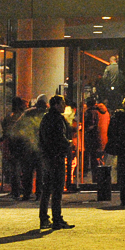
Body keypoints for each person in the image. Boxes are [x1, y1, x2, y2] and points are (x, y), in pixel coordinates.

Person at [37, 95, 74, 230]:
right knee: (57, 188)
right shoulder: (56, 119)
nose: (64, 105)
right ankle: (57, 219)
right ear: (56, 105)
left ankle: (44, 218)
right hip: (56, 156)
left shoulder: (47, 118)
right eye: (62, 103)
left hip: (48, 156)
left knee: (47, 188)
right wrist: (68, 143)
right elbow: (58, 137)